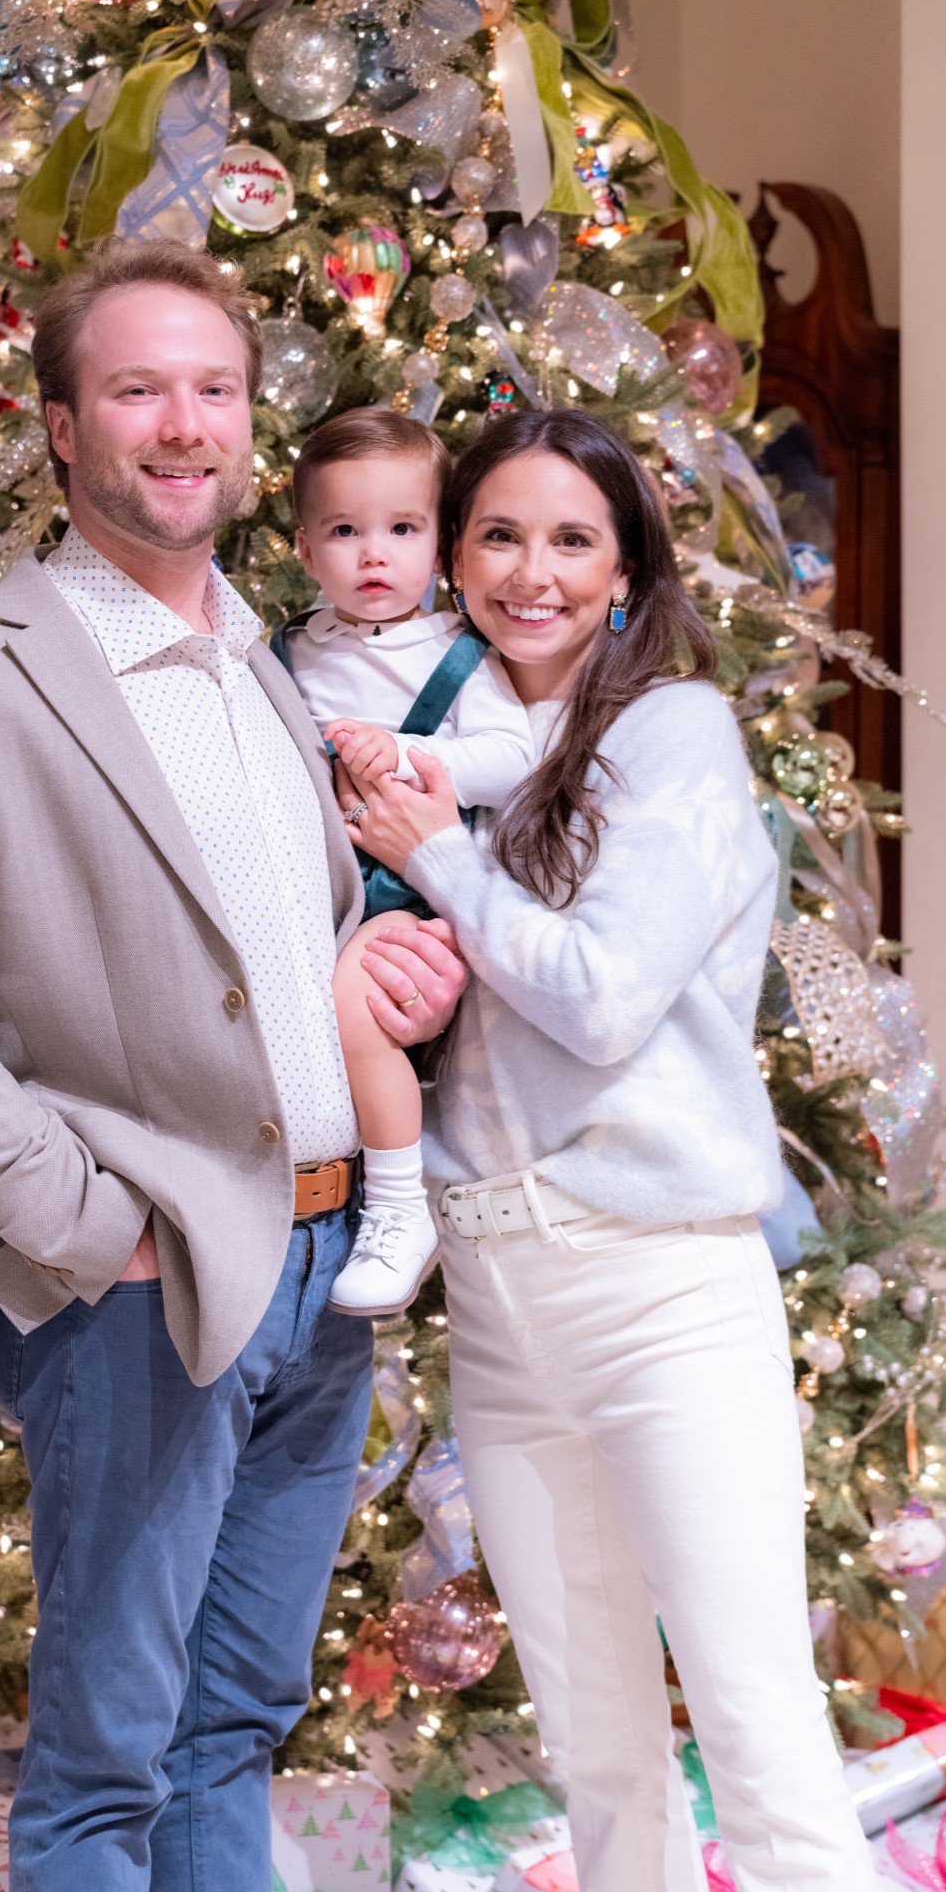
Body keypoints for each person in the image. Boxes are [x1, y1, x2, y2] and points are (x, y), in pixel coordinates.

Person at [0, 236, 466, 1892]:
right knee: (109, 1750)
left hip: (331, 1252)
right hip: (147, 1287)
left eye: (214, 389)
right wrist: (84, 1215)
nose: (182, 426)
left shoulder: (272, 668)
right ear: (60, 427)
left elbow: (258, 957)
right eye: (136, 389)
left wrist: (379, 976)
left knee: (237, 1718)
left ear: (250, 423)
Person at [340, 410, 904, 1892]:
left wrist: (435, 858)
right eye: (496, 536)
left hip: (660, 1286)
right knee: (593, 1747)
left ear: (626, 566)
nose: (530, 572)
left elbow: (598, 1001)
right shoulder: (433, 737)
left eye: (571, 539)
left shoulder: (671, 736)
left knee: (752, 1725)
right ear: (452, 555)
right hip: (502, 1299)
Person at [274, 409, 535, 1317]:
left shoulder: (462, 656)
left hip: (409, 893)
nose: (373, 554)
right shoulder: (286, 654)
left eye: (402, 529)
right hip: (309, 892)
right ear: (305, 548)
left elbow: (516, 756)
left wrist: (408, 756)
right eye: (346, 531)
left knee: (357, 997)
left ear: (442, 543)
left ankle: (394, 1203)